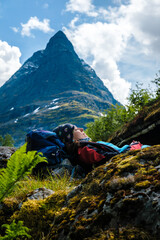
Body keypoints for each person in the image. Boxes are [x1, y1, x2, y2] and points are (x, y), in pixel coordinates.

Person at [53, 123, 129, 172]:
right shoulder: (83, 151)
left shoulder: (83, 150)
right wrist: (131, 151)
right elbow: (106, 156)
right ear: (70, 139)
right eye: (76, 129)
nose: (81, 129)